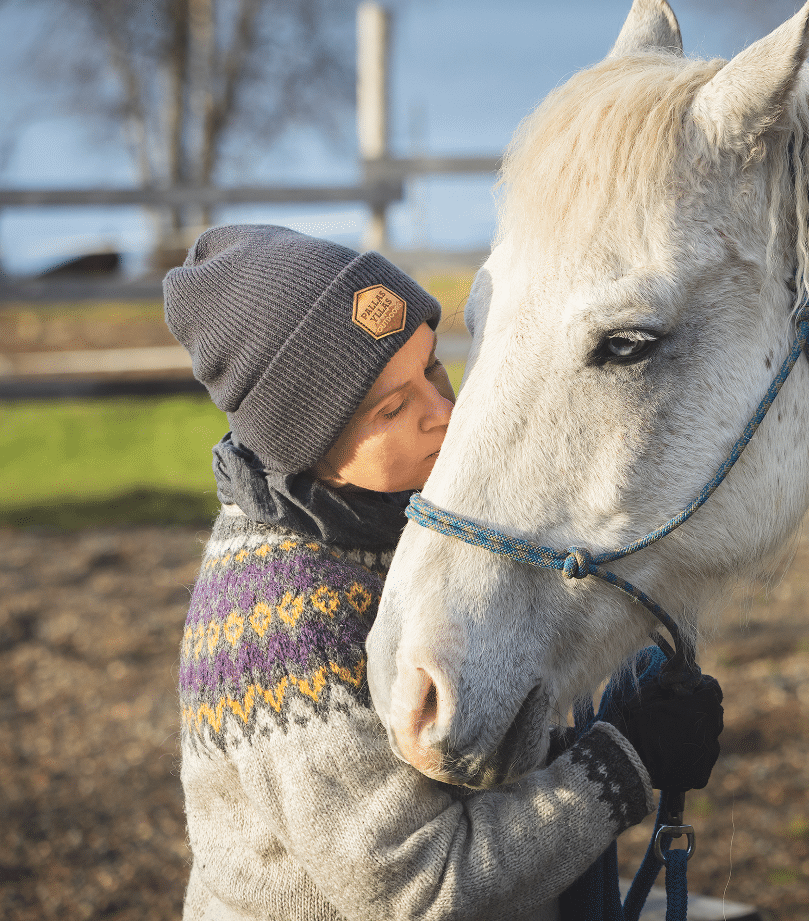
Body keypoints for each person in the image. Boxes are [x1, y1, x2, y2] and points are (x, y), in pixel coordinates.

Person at [165, 224, 721, 921]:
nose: (445, 415)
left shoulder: (398, 518)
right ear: (307, 451)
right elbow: (418, 887)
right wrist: (624, 765)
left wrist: (612, 711)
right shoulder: (281, 625)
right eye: (393, 408)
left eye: (432, 369)